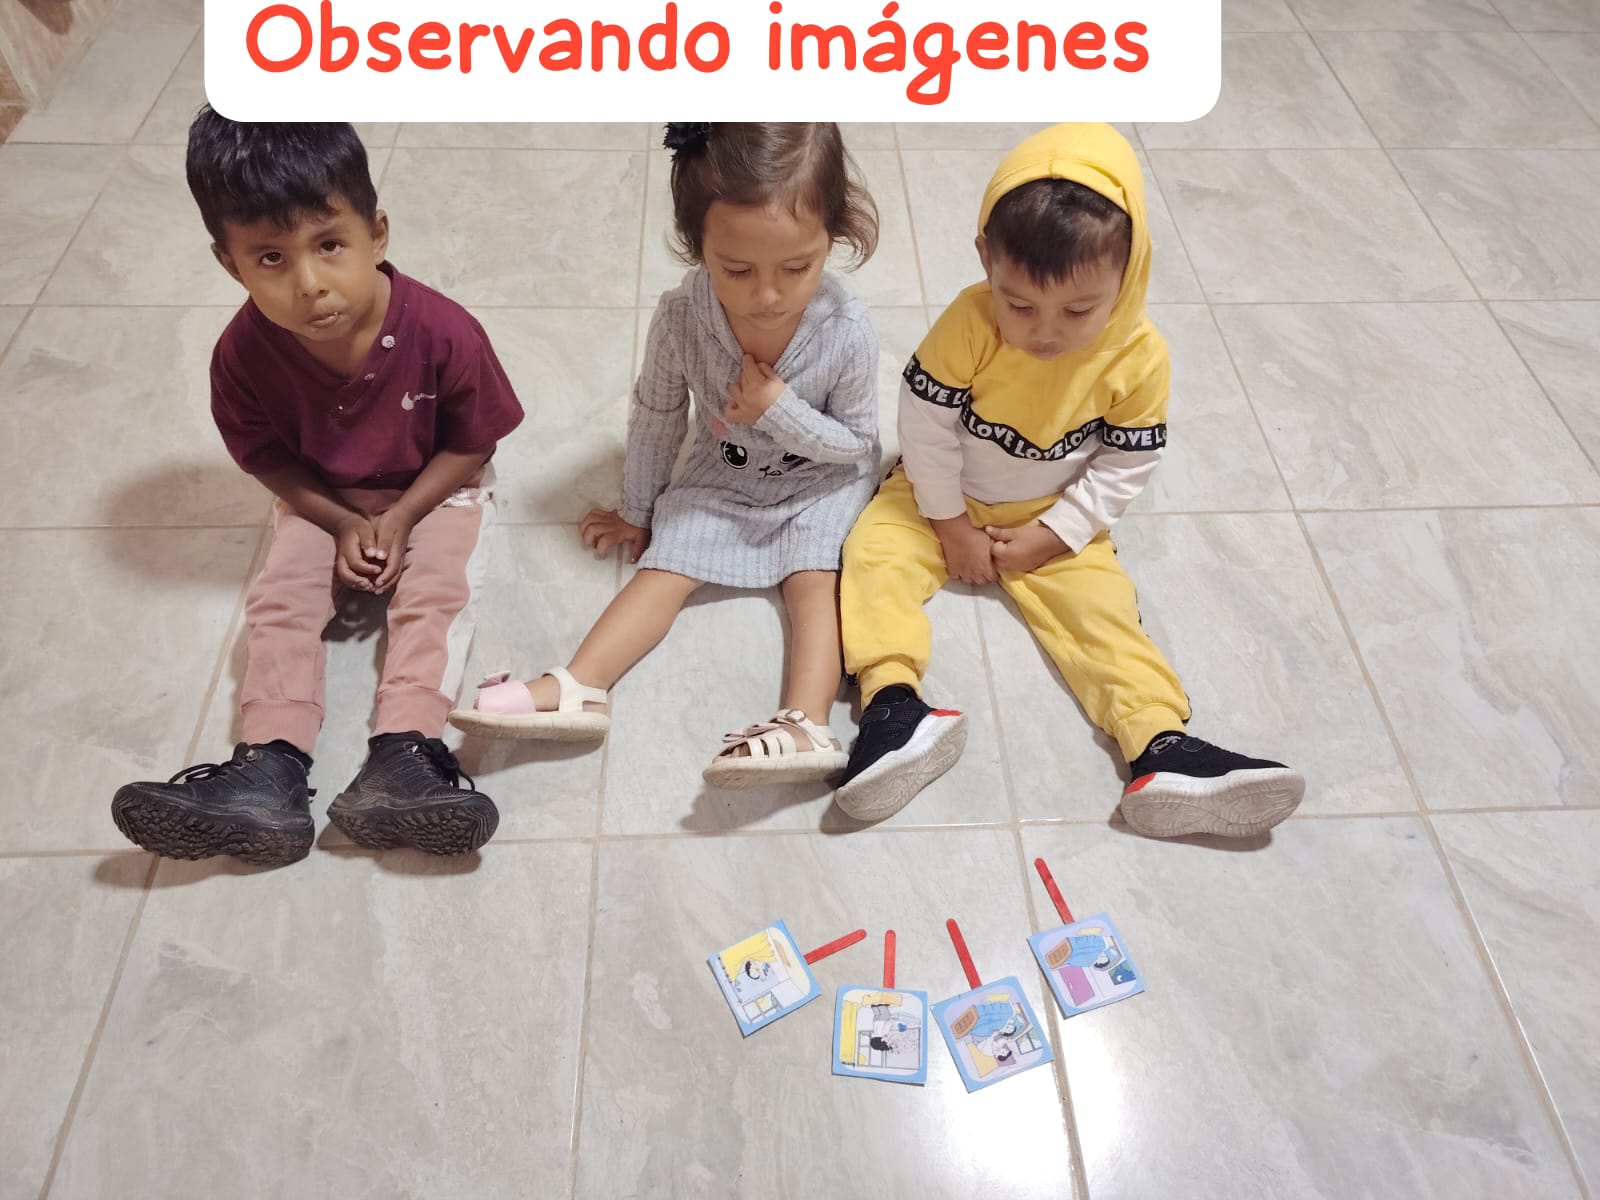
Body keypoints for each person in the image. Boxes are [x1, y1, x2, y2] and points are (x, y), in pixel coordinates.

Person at [834, 123, 1304, 838]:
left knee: (1103, 611)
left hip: (1051, 508)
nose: (1045, 331)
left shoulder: (1140, 356)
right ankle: (892, 706)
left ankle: (1159, 744)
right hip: (935, 497)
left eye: (1079, 310)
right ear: (985, 259)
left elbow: (1126, 461)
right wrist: (950, 523)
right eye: (1019, 304)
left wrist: (1057, 533)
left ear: (1130, 271)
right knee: (872, 556)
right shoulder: (969, 321)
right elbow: (924, 428)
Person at [111, 109, 523, 868]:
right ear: (230, 265)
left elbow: (474, 442)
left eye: (330, 245)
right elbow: (266, 458)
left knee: (436, 594)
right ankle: (268, 767)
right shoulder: (241, 355)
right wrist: (336, 521)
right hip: (324, 496)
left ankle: (405, 754)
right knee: (281, 601)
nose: (309, 284)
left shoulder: (444, 332)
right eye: (270, 258)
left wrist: (404, 515)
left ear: (377, 233)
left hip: (438, 489)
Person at [452, 122, 881, 789]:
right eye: (736, 270)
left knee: (813, 579)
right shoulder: (681, 318)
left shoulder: (847, 331)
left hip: (819, 483)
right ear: (697, 244)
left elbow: (853, 443)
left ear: (834, 235)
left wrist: (778, 408)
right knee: (665, 561)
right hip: (723, 475)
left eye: (797, 267)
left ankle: (807, 720)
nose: (767, 295)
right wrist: (638, 509)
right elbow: (657, 415)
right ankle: (579, 686)